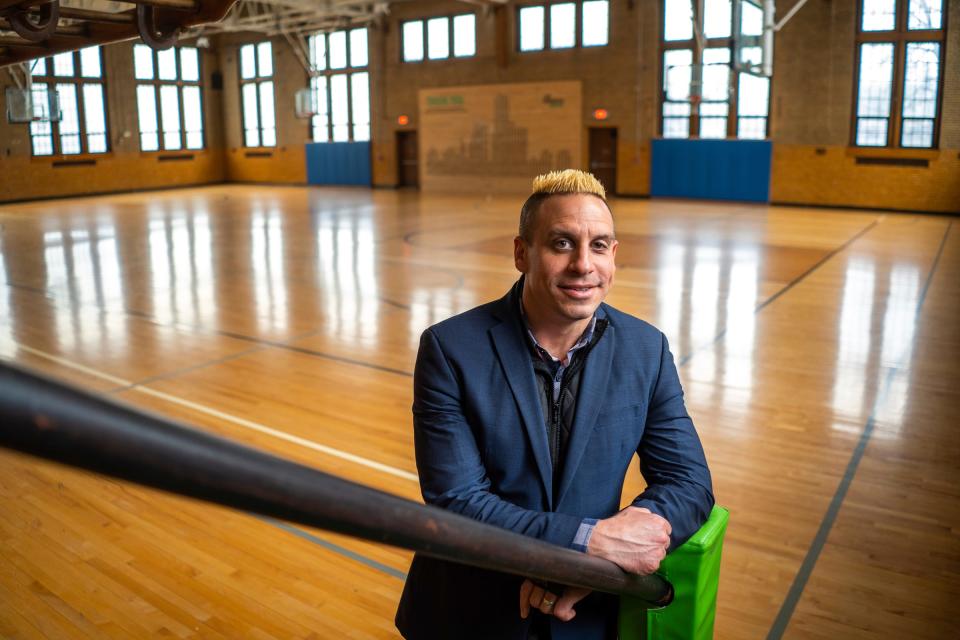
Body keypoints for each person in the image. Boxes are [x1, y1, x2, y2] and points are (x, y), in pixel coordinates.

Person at [395, 170, 713, 640]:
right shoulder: (450, 348)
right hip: (473, 611)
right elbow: (457, 501)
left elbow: (688, 482)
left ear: (614, 255)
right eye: (562, 244)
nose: (583, 265)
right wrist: (587, 544)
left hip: (584, 613)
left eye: (599, 245)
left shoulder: (646, 349)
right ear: (522, 252)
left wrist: (603, 560)